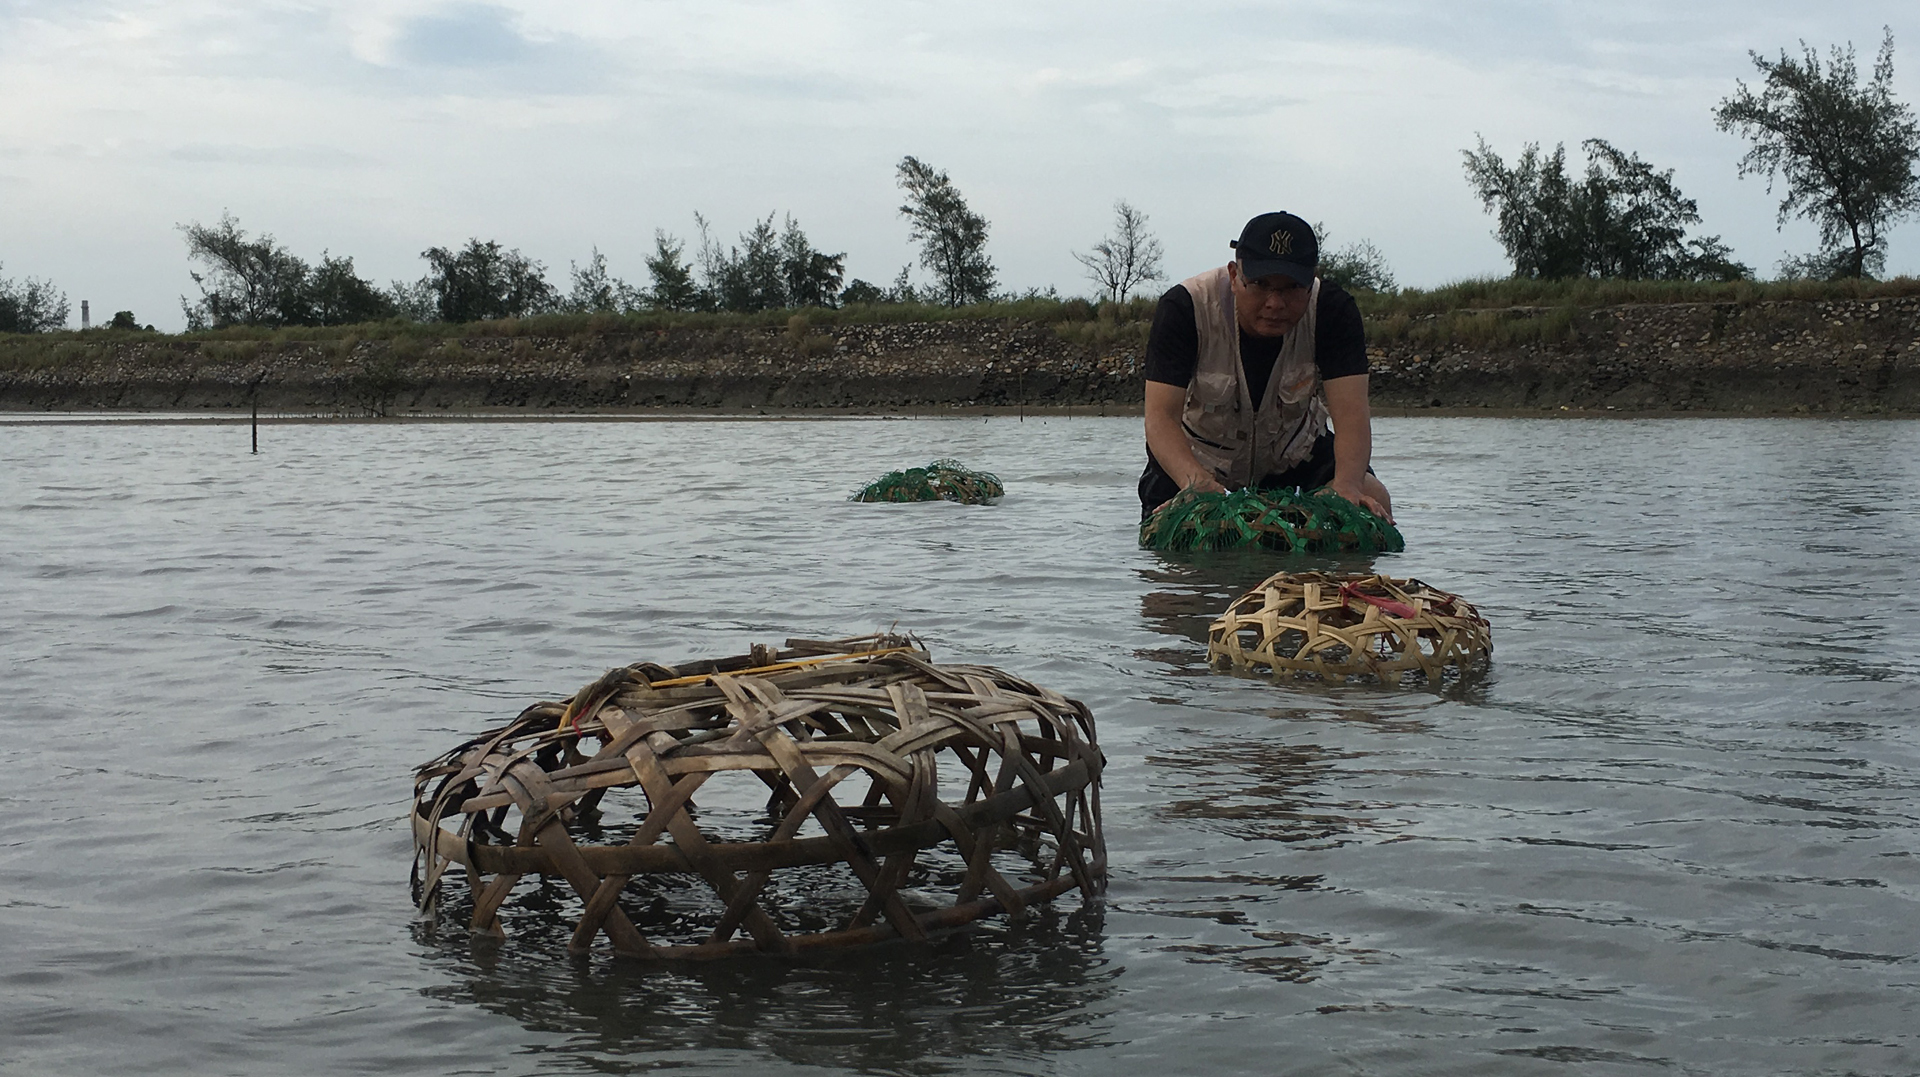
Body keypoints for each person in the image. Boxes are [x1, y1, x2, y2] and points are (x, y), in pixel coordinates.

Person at [1139, 211, 1392, 522]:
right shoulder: (1183, 307)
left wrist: (1347, 485)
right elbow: (1159, 418)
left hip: (1297, 454)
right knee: (1172, 529)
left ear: (1311, 280)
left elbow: (1352, 413)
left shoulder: (1333, 310)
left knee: (1373, 497)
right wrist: (1196, 482)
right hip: (1198, 460)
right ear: (1234, 275)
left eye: (1291, 287)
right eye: (1260, 284)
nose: (1275, 302)